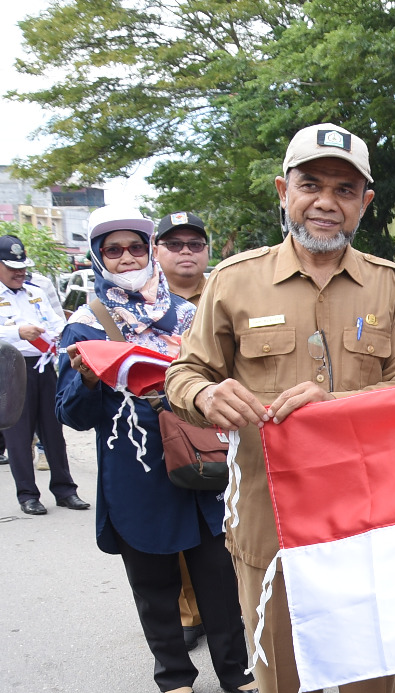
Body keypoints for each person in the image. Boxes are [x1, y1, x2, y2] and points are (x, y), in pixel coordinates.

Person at [166, 122, 395, 693]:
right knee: (284, 680)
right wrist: (204, 398)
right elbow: (182, 374)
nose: (326, 202)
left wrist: (337, 406)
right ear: (284, 192)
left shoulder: (391, 285)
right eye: (311, 185)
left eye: (344, 189)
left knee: (372, 677)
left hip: (364, 519)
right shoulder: (233, 280)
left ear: (364, 203)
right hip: (268, 523)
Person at [56, 205, 256, 693]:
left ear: (150, 251)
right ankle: (173, 674)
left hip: (202, 461)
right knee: (154, 582)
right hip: (136, 472)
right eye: (112, 250)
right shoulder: (86, 324)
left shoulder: (192, 316)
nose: (126, 258)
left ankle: (236, 670)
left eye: (135, 247)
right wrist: (86, 378)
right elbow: (72, 416)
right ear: (98, 258)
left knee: (220, 575)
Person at [154, 210, 213, 650]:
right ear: (158, 252)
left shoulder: (225, 293)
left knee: (229, 522)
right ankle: (190, 610)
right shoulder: (144, 304)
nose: (186, 252)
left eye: (195, 244)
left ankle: (231, 609)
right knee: (180, 526)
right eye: (175, 244)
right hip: (169, 428)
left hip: (227, 424)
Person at [0, 234, 89, 515]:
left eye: (22, 265)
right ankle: (27, 494)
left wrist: (56, 335)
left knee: (53, 430)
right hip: (11, 370)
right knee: (19, 435)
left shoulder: (37, 287)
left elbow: (56, 320)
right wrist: (18, 332)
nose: (20, 272)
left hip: (44, 365)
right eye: (12, 267)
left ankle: (65, 490)